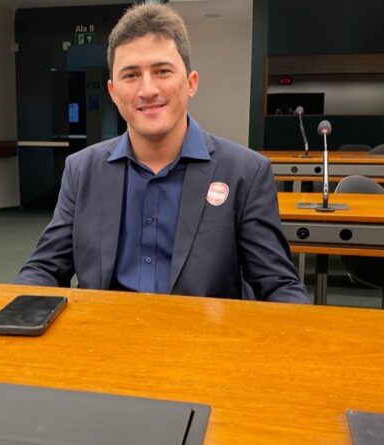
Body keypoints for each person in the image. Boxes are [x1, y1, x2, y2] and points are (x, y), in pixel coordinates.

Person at [15, 3, 309, 304]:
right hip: (105, 330)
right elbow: (44, 268)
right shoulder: (82, 170)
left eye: (162, 71)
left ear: (191, 83)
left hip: (203, 332)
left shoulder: (245, 173)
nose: (147, 89)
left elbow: (278, 285)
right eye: (131, 75)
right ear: (113, 92)